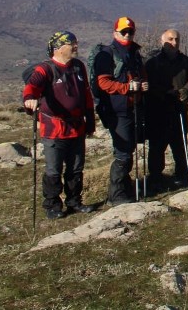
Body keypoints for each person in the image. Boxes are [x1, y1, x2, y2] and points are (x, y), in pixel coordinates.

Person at [22, 31, 96, 219]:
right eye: (72, 44)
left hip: (77, 126)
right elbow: (32, 86)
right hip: (54, 128)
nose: (76, 47)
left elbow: (86, 94)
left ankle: (74, 201)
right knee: (54, 169)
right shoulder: (45, 69)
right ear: (58, 48)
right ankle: (53, 205)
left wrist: (90, 119)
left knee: (76, 168)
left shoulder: (79, 67)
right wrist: (29, 98)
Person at [93, 16, 148, 205]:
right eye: (123, 32)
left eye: (130, 32)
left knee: (129, 149)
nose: (127, 35)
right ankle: (116, 195)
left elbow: (139, 76)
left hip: (133, 107)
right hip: (117, 110)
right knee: (123, 152)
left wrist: (142, 85)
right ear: (114, 33)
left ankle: (124, 188)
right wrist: (127, 88)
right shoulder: (106, 55)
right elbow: (103, 82)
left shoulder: (134, 53)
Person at [144, 29, 188, 190]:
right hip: (158, 109)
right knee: (157, 145)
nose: (174, 43)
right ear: (163, 41)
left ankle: (182, 173)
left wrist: (186, 90)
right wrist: (163, 93)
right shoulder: (153, 62)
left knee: (180, 143)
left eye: (177, 39)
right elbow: (149, 83)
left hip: (179, 108)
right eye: (170, 39)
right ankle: (155, 177)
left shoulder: (185, 61)